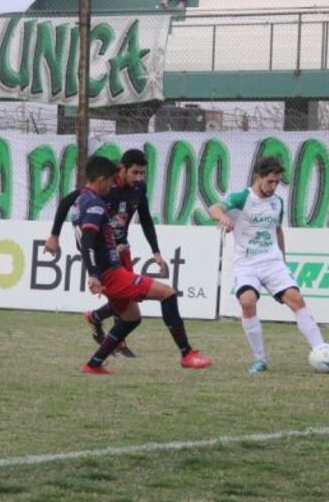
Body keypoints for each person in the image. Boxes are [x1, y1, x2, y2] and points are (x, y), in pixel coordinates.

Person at [51, 154, 212, 375]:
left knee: (131, 318)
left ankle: (93, 364)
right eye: (110, 179)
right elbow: (88, 241)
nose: (112, 184)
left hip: (110, 266)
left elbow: (93, 239)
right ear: (102, 179)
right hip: (111, 273)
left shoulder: (83, 202)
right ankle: (187, 354)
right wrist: (93, 273)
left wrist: (111, 250)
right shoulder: (96, 204)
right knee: (167, 293)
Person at [207, 156, 329, 375]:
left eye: (277, 182)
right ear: (259, 177)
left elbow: (277, 230)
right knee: (247, 301)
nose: (274, 187)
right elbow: (214, 208)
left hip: (272, 263)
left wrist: (283, 259)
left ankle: (325, 352)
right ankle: (260, 359)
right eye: (270, 182)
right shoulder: (242, 198)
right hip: (247, 264)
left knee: (296, 300)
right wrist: (223, 217)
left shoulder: (277, 202)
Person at [47, 149, 164, 358]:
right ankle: (116, 342)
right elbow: (66, 202)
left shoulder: (139, 189)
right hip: (106, 252)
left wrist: (156, 251)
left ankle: (96, 317)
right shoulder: (103, 188)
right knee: (126, 298)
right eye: (135, 173)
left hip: (122, 248)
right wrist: (54, 235)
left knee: (127, 298)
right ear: (122, 169)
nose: (139, 178)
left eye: (142, 174)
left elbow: (145, 218)